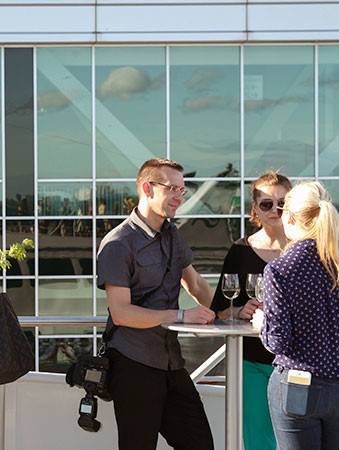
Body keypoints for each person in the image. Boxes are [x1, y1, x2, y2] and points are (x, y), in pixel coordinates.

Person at [97, 158, 215, 450]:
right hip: (133, 364)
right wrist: (181, 315)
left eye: (182, 190)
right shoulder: (117, 244)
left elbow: (196, 285)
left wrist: (229, 311)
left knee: (200, 444)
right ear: (148, 188)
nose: (179, 196)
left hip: (171, 363)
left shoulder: (173, 235)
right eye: (172, 188)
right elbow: (121, 313)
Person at [211, 170, 290, 450]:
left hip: (297, 363)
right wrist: (239, 310)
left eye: (282, 203)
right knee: (259, 442)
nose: (275, 209)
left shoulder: (306, 250)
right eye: (267, 203)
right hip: (252, 361)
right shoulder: (239, 251)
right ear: (255, 209)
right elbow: (219, 309)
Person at [262, 181, 339, 450]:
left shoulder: (280, 270)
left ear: (290, 217)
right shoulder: (336, 263)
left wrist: (263, 324)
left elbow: (277, 342)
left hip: (298, 385)